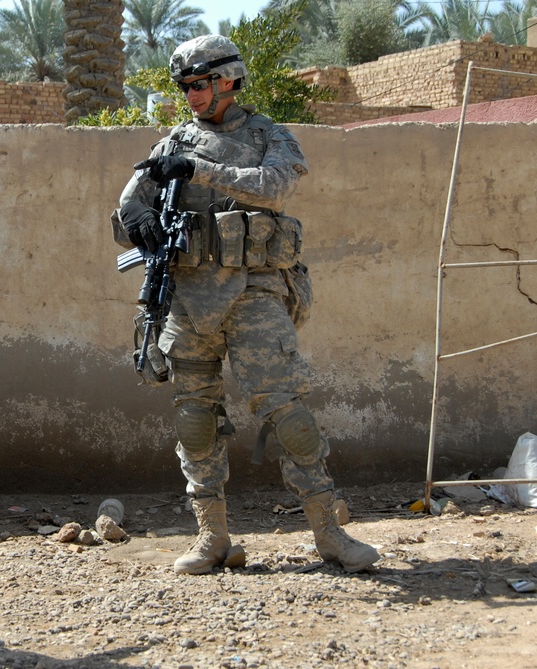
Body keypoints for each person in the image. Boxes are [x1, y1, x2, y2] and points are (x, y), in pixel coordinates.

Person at [113, 35, 380, 575]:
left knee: (288, 413)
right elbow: (129, 202)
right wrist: (137, 223)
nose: (191, 95)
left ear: (229, 80)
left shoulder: (267, 136)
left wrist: (199, 170)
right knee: (195, 418)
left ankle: (329, 534)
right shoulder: (172, 143)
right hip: (188, 302)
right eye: (185, 87)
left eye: (200, 84)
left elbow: (274, 188)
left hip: (254, 294)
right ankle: (212, 538)